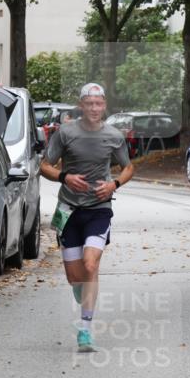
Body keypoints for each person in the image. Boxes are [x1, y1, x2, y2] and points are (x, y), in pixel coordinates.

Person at [41, 83, 134, 352]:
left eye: (98, 103)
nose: (94, 108)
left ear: (104, 105)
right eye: (89, 103)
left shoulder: (113, 135)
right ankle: (82, 291)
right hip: (69, 209)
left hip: (99, 209)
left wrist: (114, 184)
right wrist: (64, 177)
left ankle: (85, 329)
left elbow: (128, 167)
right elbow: (44, 166)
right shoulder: (65, 133)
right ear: (81, 105)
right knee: (75, 277)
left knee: (90, 265)